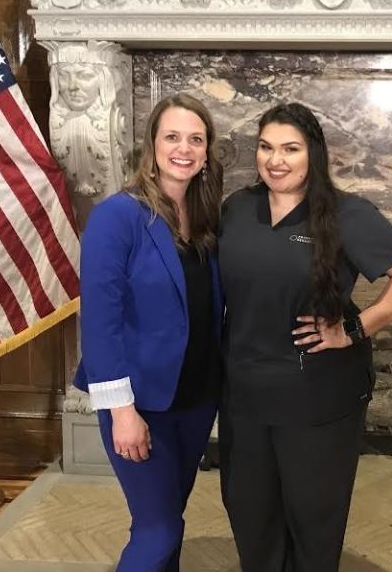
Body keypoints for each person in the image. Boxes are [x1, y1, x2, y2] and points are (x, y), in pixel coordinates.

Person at [218, 102, 392, 571]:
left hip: (316, 395)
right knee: (250, 511)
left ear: (313, 154)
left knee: (313, 519)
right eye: (266, 147)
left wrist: (354, 329)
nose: (276, 160)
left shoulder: (346, 214)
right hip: (244, 395)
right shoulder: (237, 208)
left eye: (290, 149)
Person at [74, 93, 224, 571]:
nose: (185, 148)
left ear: (206, 151)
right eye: (173, 137)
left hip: (195, 401)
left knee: (166, 520)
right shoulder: (118, 216)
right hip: (139, 405)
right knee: (159, 530)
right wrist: (121, 412)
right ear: (152, 146)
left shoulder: (204, 218)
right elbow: (99, 323)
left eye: (196, 139)